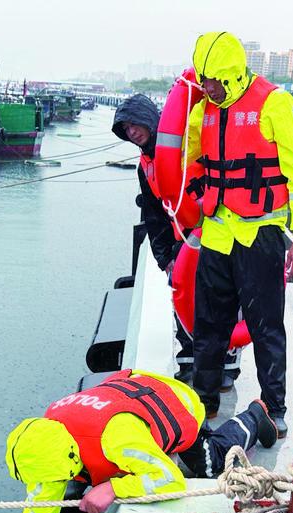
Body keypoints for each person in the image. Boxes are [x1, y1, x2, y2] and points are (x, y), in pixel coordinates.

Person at [6, 368, 278, 513]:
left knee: (209, 464)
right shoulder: (47, 440)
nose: (52, 486)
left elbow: (170, 479)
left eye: (55, 481)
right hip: (131, 397)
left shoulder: (115, 437)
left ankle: (254, 417)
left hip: (174, 400)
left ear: (70, 459)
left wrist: (113, 488)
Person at [186, 32, 293, 436]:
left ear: (231, 74)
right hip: (216, 234)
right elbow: (186, 161)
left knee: (266, 327)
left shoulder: (275, 102)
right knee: (208, 326)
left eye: (213, 81)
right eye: (203, 81)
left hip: (260, 235)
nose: (207, 88)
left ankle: (274, 408)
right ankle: (203, 403)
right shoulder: (201, 111)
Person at [111, 94, 195, 383]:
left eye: (134, 124)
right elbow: (153, 215)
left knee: (214, 302)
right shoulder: (144, 165)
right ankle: (191, 361)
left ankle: (218, 366)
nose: (132, 132)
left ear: (149, 118)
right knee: (182, 300)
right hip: (178, 242)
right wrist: (165, 258)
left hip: (204, 233)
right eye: (126, 129)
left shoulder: (183, 147)